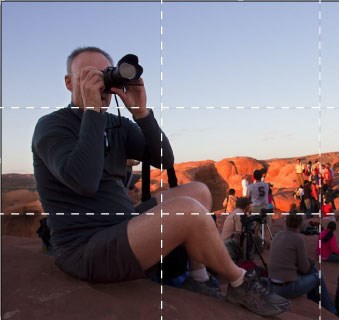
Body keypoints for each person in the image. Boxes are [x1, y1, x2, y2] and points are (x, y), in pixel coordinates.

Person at [31, 47, 290, 317]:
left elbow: (163, 158)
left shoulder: (114, 123)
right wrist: (92, 112)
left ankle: (199, 280)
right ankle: (239, 283)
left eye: (104, 74)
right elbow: (83, 181)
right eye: (88, 75)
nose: (99, 83)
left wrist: (141, 113)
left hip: (122, 226)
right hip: (85, 249)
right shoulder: (52, 126)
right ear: (69, 83)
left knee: (198, 192)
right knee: (188, 211)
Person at [268, 212, 320, 304]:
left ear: (286, 222)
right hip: (286, 288)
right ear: (300, 224)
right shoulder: (298, 238)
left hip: (272, 285)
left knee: (310, 268)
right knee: (317, 276)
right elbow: (304, 268)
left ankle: (315, 303)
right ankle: (330, 309)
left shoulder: (277, 235)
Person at [221, 197, 251, 262]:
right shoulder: (239, 214)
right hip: (228, 243)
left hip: (226, 241)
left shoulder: (237, 212)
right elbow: (240, 232)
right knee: (248, 238)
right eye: (249, 205)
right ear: (246, 206)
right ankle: (245, 260)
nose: (250, 206)